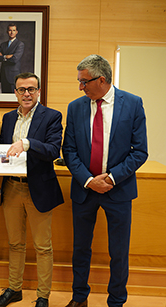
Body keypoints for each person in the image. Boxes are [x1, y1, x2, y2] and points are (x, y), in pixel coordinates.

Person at [62, 54, 148, 307]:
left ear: (102, 80)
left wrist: (111, 178)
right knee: (80, 250)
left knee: (118, 252)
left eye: (84, 81)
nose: (80, 86)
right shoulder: (76, 107)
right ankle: (79, 298)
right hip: (84, 190)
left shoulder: (132, 104)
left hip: (118, 191)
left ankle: (117, 301)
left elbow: (140, 151)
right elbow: (69, 150)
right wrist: (89, 180)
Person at [0, 72, 64, 307]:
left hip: (39, 188)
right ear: (16, 92)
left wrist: (27, 143)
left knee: (43, 246)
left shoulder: (52, 116)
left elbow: (52, 150)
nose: (26, 93)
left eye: (31, 89)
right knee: (15, 244)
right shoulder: (8, 118)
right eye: (21, 89)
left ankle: (43, 296)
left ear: (39, 91)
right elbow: (6, 150)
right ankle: (14, 289)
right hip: (12, 188)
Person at [0, 23, 25, 93]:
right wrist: (6, 56)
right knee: (4, 98)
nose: (11, 32)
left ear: (16, 32)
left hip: (13, 76)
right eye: (10, 30)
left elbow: (14, 59)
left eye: (13, 30)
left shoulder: (20, 44)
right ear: (7, 32)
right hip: (4, 76)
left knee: (13, 99)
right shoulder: (3, 44)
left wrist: (2, 56)